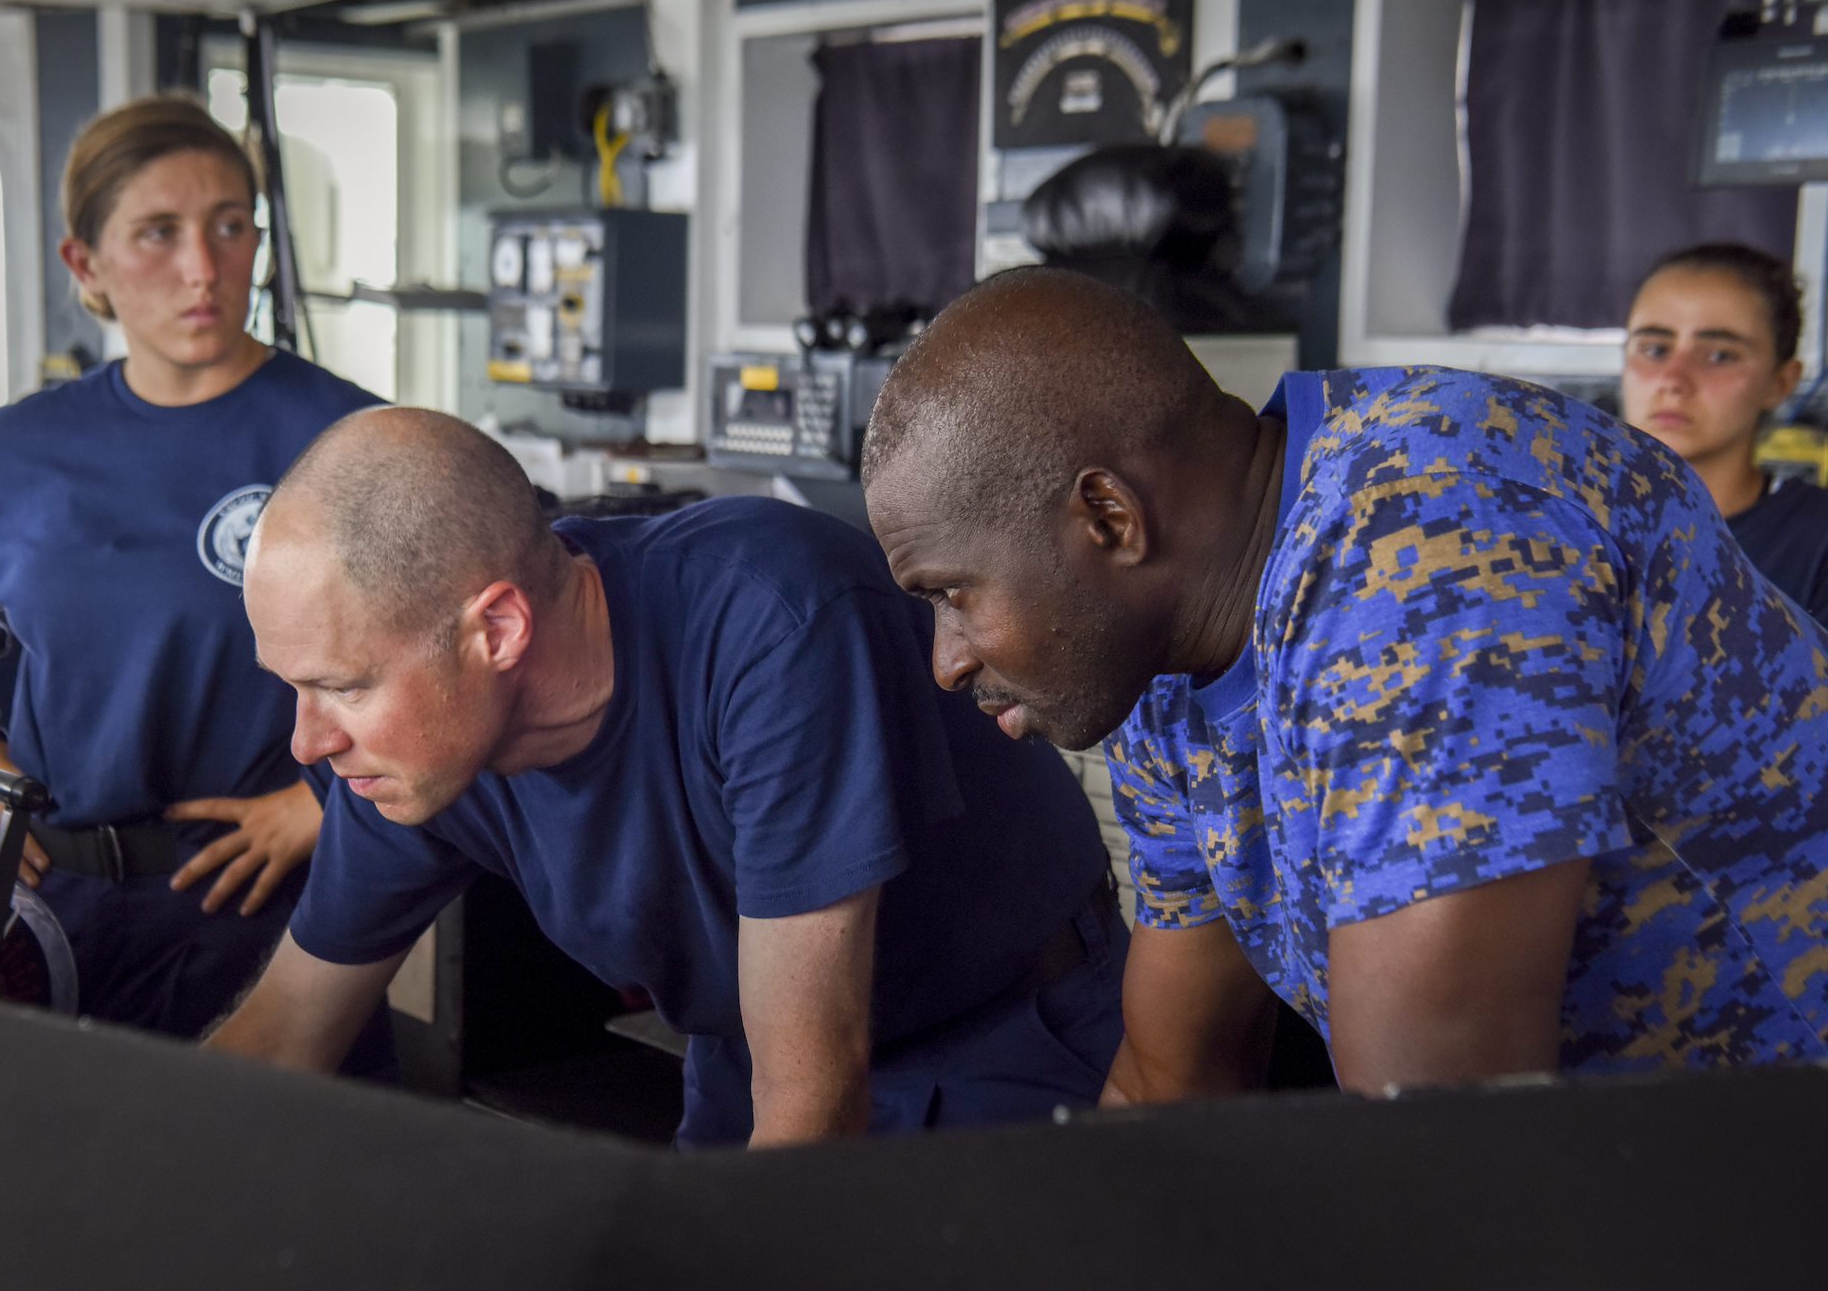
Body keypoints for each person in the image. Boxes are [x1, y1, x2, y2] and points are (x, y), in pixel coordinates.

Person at [861, 266, 1828, 1102]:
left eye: (951, 594)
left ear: (1109, 518)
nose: (947, 660)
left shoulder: (1422, 537)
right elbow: (1173, 1079)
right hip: (1621, 1176)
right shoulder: (1163, 673)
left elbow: (1439, 1139)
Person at [207, 405, 1126, 1148]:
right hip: (746, 1062)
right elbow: (288, 1032)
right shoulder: (407, 750)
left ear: (498, 631)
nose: (306, 743)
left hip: (1001, 1041)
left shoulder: (771, 624)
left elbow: (813, 1102)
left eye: (341, 686)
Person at [0, 96, 389, 1057]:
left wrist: (327, 801)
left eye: (231, 226)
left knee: (289, 1190)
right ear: (88, 264)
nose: (204, 268)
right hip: (48, 909)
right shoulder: (20, 450)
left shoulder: (349, 440)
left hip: (268, 914)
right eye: (159, 233)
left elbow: (457, 644)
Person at [1621, 242, 1828, 626]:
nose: (1673, 380)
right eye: (1654, 349)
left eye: (1719, 355)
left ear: (1781, 382)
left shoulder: (1815, 542)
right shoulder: (1562, 526)